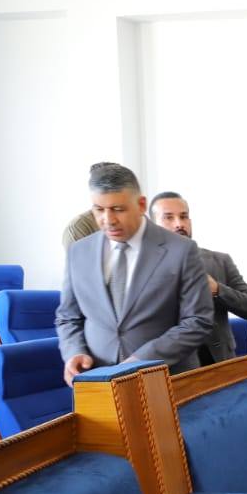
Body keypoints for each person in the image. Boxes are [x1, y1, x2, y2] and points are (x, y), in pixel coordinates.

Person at [56, 162, 213, 384]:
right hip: (96, 382)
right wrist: (74, 352)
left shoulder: (181, 249)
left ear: (141, 205)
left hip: (165, 378)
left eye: (118, 209)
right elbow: (68, 317)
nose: (108, 220)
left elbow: (198, 320)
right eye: (99, 209)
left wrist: (142, 360)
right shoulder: (78, 251)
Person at [150, 191, 247, 364]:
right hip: (171, 369)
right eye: (168, 217)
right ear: (153, 225)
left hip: (218, 365)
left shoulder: (220, 261)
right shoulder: (143, 269)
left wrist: (217, 289)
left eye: (184, 216)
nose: (179, 224)